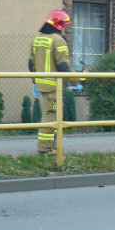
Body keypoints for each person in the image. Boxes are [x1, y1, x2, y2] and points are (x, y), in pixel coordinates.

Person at [28, 10, 72, 154]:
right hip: (53, 87)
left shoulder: (37, 39)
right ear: (59, 24)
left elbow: (31, 63)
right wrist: (75, 81)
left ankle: (53, 146)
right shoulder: (58, 40)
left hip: (42, 85)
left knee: (52, 115)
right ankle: (44, 149)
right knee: (51, 116)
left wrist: (35, 82)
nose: (65, 28)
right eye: (64, 25)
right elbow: (63, 64)